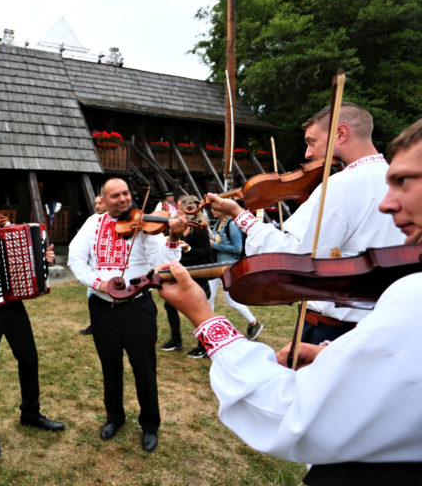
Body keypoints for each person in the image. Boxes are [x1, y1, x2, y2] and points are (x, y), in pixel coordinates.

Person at [155, 119, 422, 484]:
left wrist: (205, 316)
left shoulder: (343, 186)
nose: (387, 204)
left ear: (340, 134)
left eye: (404, 181)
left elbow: (293, 415)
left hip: (332, 326)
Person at [208, 102, 404, 344]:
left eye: (312, 142)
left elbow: (295, 257)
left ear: (340, 134)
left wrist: (242, 217)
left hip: (333, 331)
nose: (307, 154)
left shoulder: (341, 184)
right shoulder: (399, 180)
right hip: (384, 328)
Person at [68, 178, 185, 452]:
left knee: (144, 367)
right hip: (102, 307)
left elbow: (162, 264)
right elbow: (75, 258)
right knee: (110, 367)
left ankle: (150, 424)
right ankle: (114, 417)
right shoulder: (93, 224)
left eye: (125, 194)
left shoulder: (146, 226)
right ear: (104, 200)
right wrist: (99, 283)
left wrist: (174, 236)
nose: (122, 199)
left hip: (137, 306)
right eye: (115, 196)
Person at [0, 172, 64, 459]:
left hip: (12, 303)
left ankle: (30, 413)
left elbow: (22, 256)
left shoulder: (4, 224)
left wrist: (43, 258)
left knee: (29, 357)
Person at [159, 195, 213, 358]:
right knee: (170, 306)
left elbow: (205, 254)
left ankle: (203, 347)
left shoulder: (199, 230)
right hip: (180, 276)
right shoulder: (179, 229)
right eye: (178, 209)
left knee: (197, 312)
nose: (177, 213)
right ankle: (176, 340)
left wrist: (188, 249)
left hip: (197, 278)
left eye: (181, 209)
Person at [208, 206, 263, 340]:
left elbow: (238, 248)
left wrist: (214, 245)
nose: (212, 211)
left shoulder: (232, 225)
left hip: (227, 267)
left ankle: (254, 323)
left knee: (232, 301)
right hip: (215, 265)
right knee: (208, 296)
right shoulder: (218, 223)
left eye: (215, 208)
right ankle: (208, 325)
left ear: (223, 210)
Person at [79, 193, 108, 336]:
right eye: (95, 203)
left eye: (100, 203)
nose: (97, 206)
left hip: (107, 274)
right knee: (92, 298)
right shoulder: (93, 221)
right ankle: (94, 325)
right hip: (94, 271)